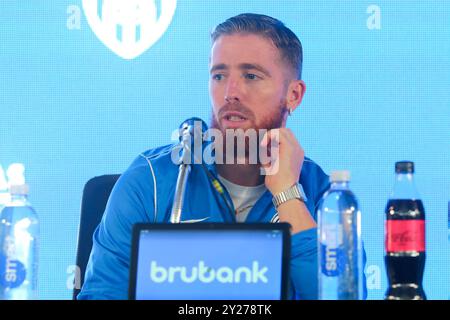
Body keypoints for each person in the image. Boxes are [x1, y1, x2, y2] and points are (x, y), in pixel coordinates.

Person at [78, 13, 366, 300]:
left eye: (250, 76)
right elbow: (101, 295)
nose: (230, 92)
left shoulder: (325, 198)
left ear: (293, 95)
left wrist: (287, 195)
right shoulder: (151, 179)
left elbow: (343, 296)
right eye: (219, 75)